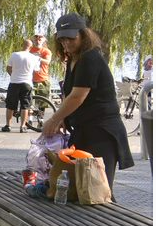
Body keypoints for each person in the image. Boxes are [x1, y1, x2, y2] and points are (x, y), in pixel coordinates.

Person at [41, 13, 134, 188]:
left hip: (102, 132)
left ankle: (107, 215)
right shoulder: (72, 60)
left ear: (83, 35)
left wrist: (53, 119)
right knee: (81, 187)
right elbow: (70, 95)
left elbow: (78, 96)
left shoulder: (90, 57)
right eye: (62, 40)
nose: (66, 43)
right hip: (85, 130)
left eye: (71, 38)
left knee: (98, 188)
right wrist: (63, 117)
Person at [3, 39, 41, 132]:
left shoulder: (14, 54)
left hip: (14, 83)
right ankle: (23, 126)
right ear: (31, 47)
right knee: (25, 106)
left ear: (22, 45)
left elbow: (8, 68)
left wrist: (13, 76)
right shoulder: (33, 57)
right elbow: (37, 70)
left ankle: (8, 126)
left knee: (10, 105)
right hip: (26, 83)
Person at [30, 34, 53, 99]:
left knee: (43, 103)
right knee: (30, 103)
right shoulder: (29, 50)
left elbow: (47, 61)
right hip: (30, 79)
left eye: (40, 39)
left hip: (43, 79)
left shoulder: (46, 51)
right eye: (36, 39)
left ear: (43, 40)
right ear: (33, 40)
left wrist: (38, 58)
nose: (38, 41)